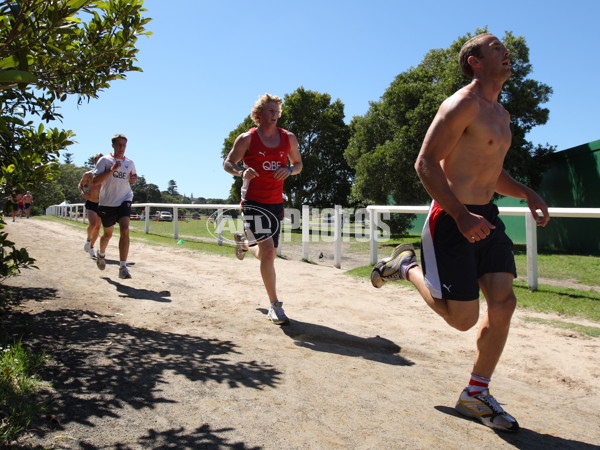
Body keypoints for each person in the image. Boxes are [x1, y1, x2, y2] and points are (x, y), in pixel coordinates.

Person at [370, 34, 550, 432]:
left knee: (503, 304)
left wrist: (527, 192)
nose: (507, 53)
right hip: (451, 220)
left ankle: (476, 393)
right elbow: (425, 163)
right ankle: (405, 267)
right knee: (462, 320)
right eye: (496, 48)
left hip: (487, 217)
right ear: (474, 61)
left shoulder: (501, 114)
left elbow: (490, 172)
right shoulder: (460, 105)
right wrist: (462, 215)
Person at [223, 93, 303, 325]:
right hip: (253, 201)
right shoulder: (247, 138)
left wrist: (289, 170)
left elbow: (298, 165)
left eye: (277, 111)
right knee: (268, 251)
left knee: (268, 253)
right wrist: (240, 171)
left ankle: (245, 245)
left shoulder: (289, 138)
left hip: (275, 201)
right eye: (270, 111)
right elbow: (227, 163)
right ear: (258, 115)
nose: (275, 114)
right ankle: (275, 306)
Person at [92, 135, 137, 279]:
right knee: (107, 235)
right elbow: (95, 181)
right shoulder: (104, 160)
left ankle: (123, 267)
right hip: (107, 203)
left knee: (124, 229)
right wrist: (111, 170)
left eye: (124, 145)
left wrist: (133, 179)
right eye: (119, 145)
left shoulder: (129, 162)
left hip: (125, 198)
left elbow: (133, 177)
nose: (122, 148)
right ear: (113, 145)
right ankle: (101, 254)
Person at [78, 153, 103, 257]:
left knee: (98, 227)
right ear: (94, 162)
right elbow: (80, 184)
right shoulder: (88, 174)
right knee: (92, 224)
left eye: (102, 160)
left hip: (102, 204)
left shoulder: (107, 175)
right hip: (91, 202)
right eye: (98, 160)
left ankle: (92, 248)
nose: (100, 161)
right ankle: (88, 240)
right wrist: (83, 193)